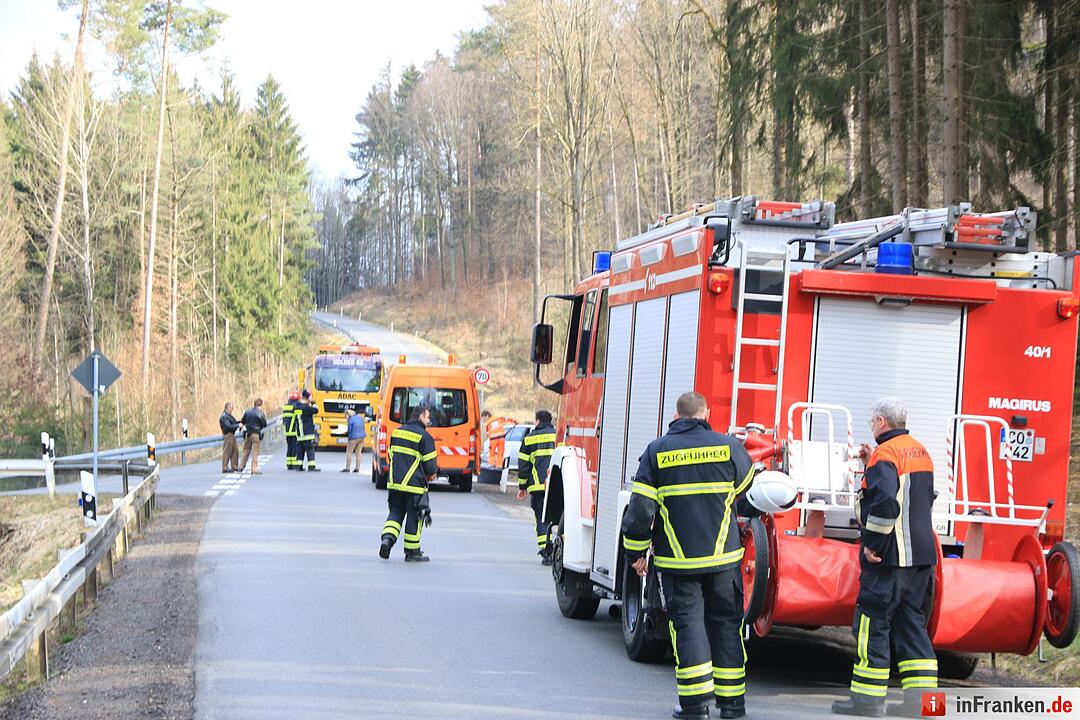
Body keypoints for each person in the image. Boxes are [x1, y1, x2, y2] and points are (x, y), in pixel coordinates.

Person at [621, 391, 761, 720]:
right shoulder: (728, 446)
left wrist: (635, 551)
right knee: (727, 626)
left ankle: (695, 708)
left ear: (676, 415)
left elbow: (640, 510)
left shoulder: (657, 451)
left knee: (689, 628)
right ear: (705, 413)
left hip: (678, 563)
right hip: (724, 562)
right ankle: (733, 705)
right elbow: (749, 499)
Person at [832, 399, 938, 719]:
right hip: (921, 559)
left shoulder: (885, 454)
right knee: (912, 629)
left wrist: (872, 545)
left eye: (871, 422)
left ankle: (867, 701)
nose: (872, 427)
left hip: (888, 560)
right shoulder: (920, 451)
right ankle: (923, 707)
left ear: (881, 421)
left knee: (872, 625)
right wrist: (871, 464)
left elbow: (887, 504)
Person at [379, 405, 438, 562]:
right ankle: (412, 552)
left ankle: (387, 540)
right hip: (414, 486)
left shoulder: (397, 432)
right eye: (427, 417)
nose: (428, 420)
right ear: (420, 417)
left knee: (395, 514)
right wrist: (432, 474)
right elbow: (431, 465)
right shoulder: (424, 437)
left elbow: (391, 455)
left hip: (394, 484)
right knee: (415, 517)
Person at [517, 410, 557, 565]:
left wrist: (522, 487)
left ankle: (546, 551)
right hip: (556, 487)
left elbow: (523, 466)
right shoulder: (557, 435)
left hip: (538, 487)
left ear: (538, 421)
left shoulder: (529, 439)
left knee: (541, 518)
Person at [238, 398, 267, 475]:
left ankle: (241, 467)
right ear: (260, 405)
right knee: (255, 452)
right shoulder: (260, 413)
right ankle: (254, 469)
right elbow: (264, 424)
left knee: (246, 450)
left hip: (248, 433)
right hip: (256, 434)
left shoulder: (247, 412)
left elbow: (242, 422)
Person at [295, 390, 320, 472]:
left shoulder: (297, 407)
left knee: (300, 451)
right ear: (307, 399)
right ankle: (311, 466)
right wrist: (312, 402)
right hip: (307, 434)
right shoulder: (306, 408)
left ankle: (299, 466)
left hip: (299, 435)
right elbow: (316, 410)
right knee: (310, 450)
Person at [219, 402, 241, 473]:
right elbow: (228, 426)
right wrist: (238, 426)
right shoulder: (224, 417)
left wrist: (241, 422)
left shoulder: (229, 416)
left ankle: (234, 466)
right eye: (231, 408)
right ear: (227, 408)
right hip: (228, 434)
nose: (232, 409)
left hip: (232, 434)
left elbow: (233, 423)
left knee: (235, 451)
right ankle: (224, 467)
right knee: (227, 451)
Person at [343, 408, 366, 473]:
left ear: (348, 414)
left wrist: (346, 433)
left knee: (349, 452)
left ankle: (347, 468)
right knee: (358, 452)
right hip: (362, 437)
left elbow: (349, 430)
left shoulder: (350, 420)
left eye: (345, 416)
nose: (345, 417)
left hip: (354, 437)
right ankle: (357, 468)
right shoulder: (360, 417)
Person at [283, 390, 300, 470]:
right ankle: (294, 464)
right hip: (294, 430)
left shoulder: (286, 406)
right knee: (295, 447)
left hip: (287, 431)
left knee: (289, 447)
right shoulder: (295, 406)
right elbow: (298, 417)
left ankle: (288, 464)